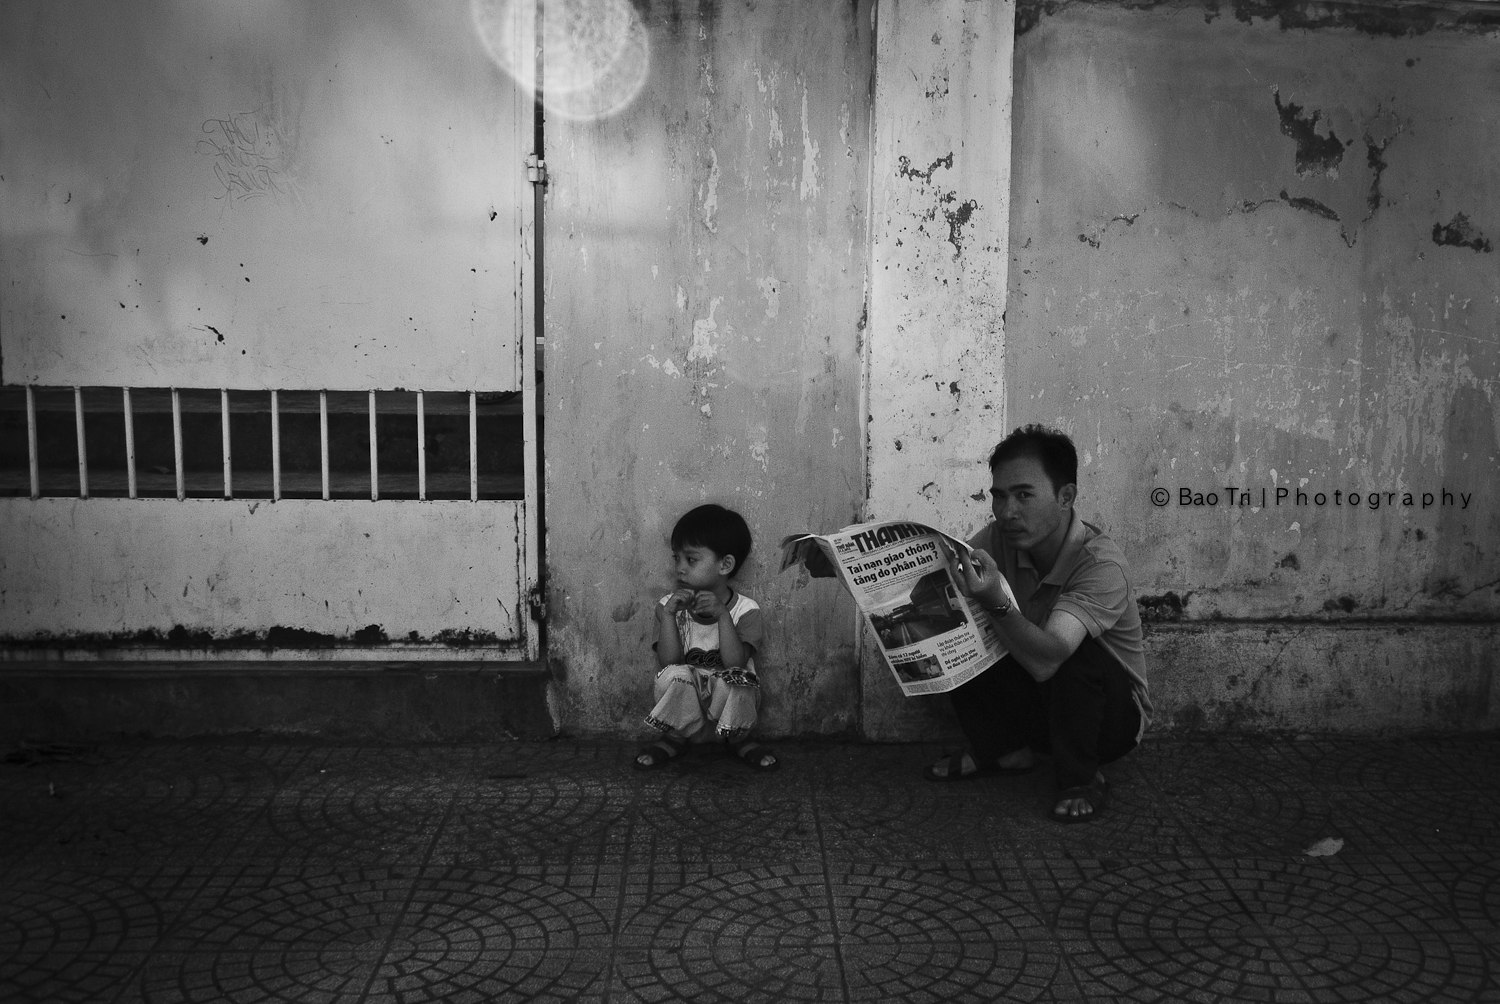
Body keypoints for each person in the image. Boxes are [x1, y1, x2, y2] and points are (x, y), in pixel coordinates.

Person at [927, 425, 1151, 824]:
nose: (1007, 512)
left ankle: (1081, 778)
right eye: (999, 496)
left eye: (1024, 495)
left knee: (1074, 651)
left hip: (1107, 722)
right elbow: (941, 583)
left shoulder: (1100, 564)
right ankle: (1007, 749)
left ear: (1066, 497)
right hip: (1042, 708)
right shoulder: (999, 539)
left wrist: (996, 602)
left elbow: (1051, 658)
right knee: (960, 623)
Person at [633, 503, 779, 772]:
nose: (680, 568)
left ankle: (739, 740)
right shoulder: (668, 605)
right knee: (672, 675)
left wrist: (723, 615)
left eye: (691, 559)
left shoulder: (747, 610)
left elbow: (736, 663)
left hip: (727, 710)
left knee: (740, 679)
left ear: (725, 564)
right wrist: (668, 617)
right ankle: (674, 738)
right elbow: (667, 662)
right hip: (688, 712)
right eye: (676, 558)